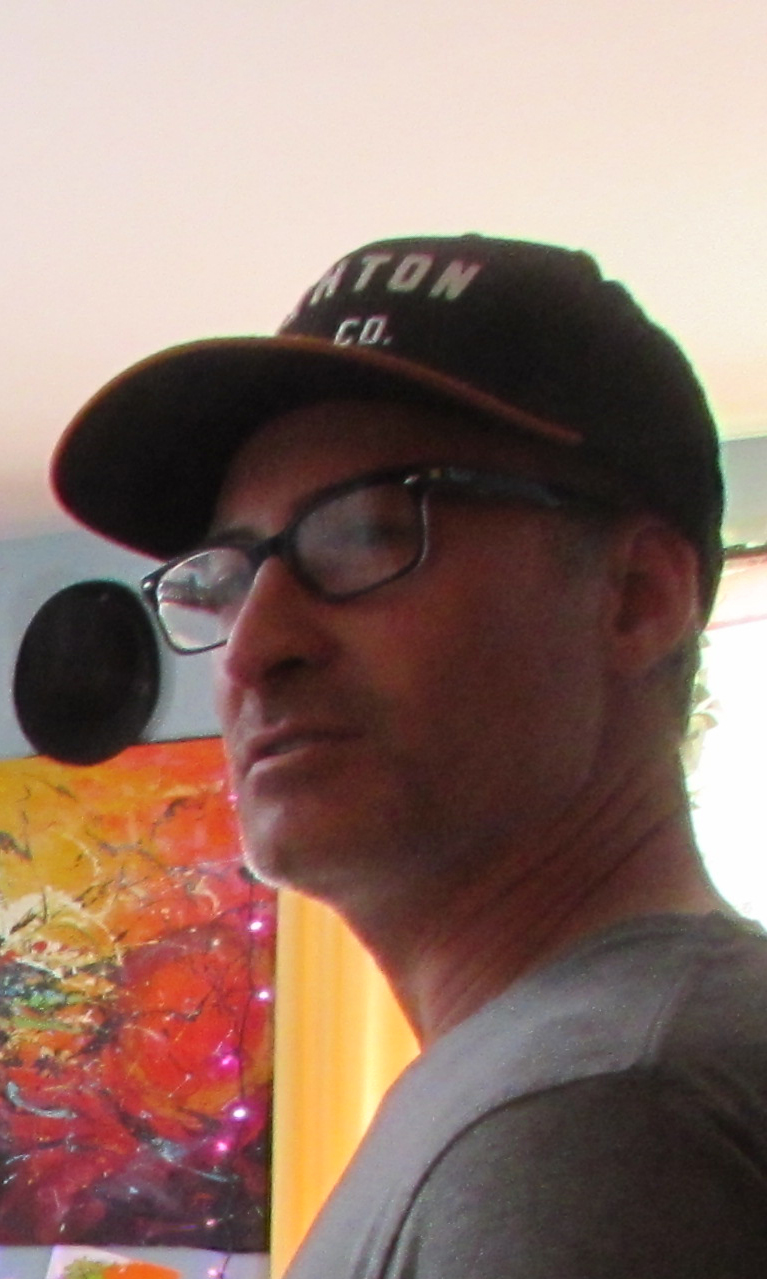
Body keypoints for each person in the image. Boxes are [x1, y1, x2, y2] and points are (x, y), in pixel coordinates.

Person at [52, 234, 767, 1277]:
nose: (252, 647)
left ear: (634, 598)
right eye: (228, 577)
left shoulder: (596, 1116)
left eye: (367, 530)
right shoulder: (545, 1074)